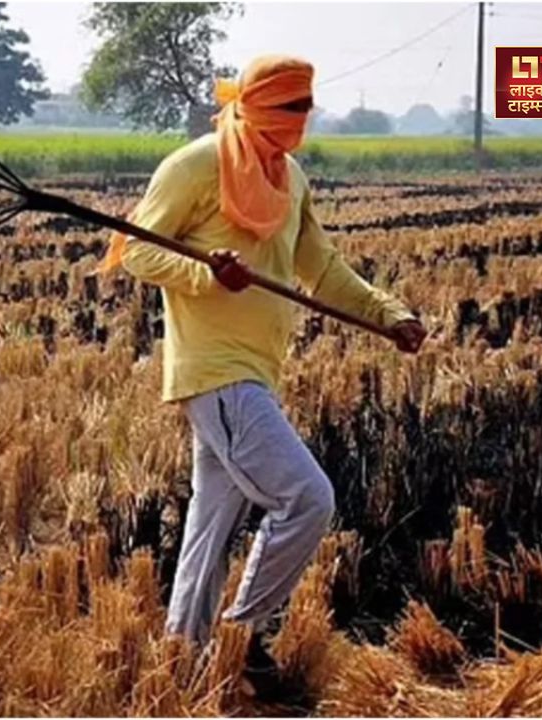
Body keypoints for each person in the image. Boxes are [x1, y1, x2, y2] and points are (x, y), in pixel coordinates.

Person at [114, 55, 427, 697]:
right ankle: (242, 633)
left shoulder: (289, 177)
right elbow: (138, 251)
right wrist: (206, 271)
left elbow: (322, 268)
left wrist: (388, 313)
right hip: (216, 372)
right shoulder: (196, 165)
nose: (300, 119)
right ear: (256, 105)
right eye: (289, 107)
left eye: (306, 107)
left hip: (256, 370)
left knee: (208, 529)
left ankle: (183, 664)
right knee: (307, 498)